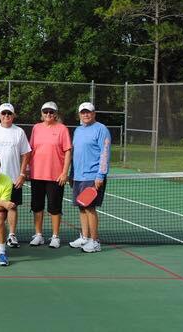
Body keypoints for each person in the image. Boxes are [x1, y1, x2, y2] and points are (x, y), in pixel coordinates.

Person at [0, 102, 31, 249]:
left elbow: (26, 153)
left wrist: (22, 173)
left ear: (13, 115)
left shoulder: (19, 132)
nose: (6, 116)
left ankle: (11, 235)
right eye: (4, 113)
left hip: (13, 178)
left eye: (9, 113)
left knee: (12, 207)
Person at [28, 101, 72, 248]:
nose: (48, 114)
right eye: (45, 112)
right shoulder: (36, 128)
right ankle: (39, 235)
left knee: (54, 208)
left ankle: (55, 236)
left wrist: (65, 172)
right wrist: (28, 169)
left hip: (56, 176)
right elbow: (31, 149)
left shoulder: (62, 129)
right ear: (41, 114)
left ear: (56, 114)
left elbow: (67, 151)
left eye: (51, 112)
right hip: (36, 175)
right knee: (37, 207)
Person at [70, 102, 111, 253]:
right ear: (80, 114)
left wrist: (100, 175)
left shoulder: (101, 129)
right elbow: (75, 154)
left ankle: (95, 242)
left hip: (93, 176)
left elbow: (105, 152)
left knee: (90, 208)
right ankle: (85, 237)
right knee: (82, 207)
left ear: (94, 114)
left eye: (89, 112)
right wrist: (72, 174)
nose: (86, 115)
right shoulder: (78, 130)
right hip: (79, 176)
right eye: (83, 112)